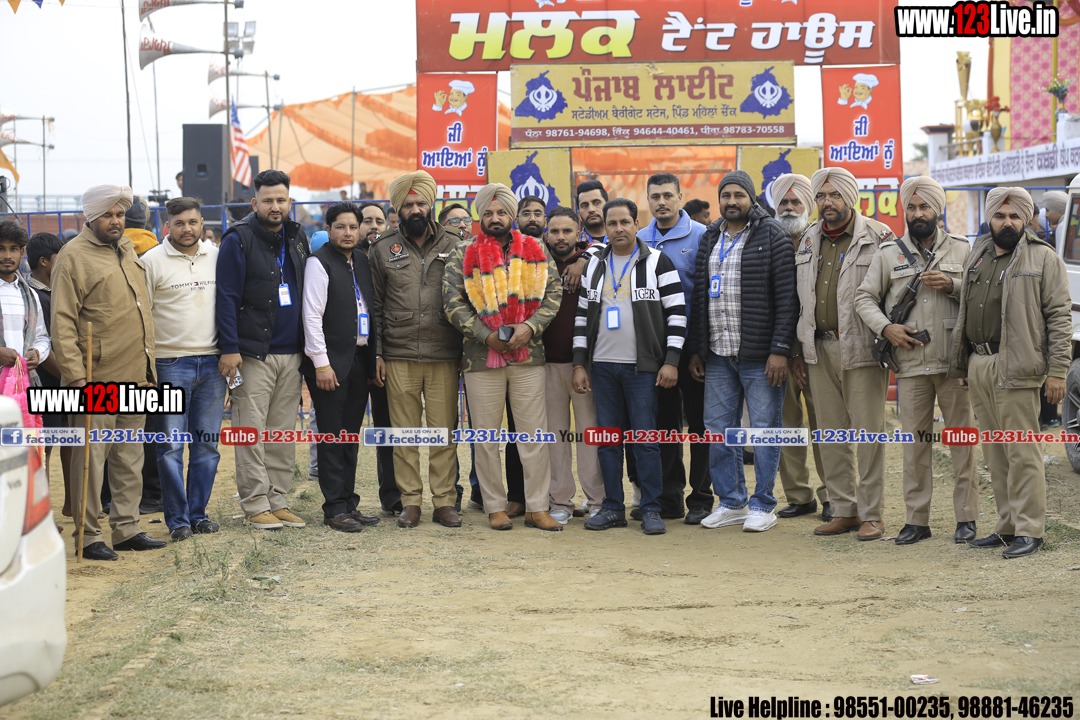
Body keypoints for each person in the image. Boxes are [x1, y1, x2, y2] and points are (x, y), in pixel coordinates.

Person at [854, 177, 978, 546]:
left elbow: (982, 295)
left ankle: (967, 518)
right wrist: (886, 328)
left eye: (925, 206)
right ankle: (917, 520)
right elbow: (863, 298)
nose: (918, 213)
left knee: (962, 443)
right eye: (912, 207)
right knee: (915, 447)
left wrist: (953, 286)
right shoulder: (889, 254)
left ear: (938, 210)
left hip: (954, 364)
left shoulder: (963, 249)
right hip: (911, 365)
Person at [949, 187, 1071, 559]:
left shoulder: (1043, 257)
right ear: (990, 218)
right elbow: (967, 309)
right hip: (979, 362)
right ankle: (1007, 526)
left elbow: (1059, 317)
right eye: (1000, 216)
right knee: (995, 452)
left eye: (1015, 216)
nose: (1007, 222)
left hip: (1017, 365)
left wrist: (1058, 371)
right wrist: (964, 362)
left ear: (1026, 219)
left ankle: (1030, 529)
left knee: (1022, 451)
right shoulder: (979, 253)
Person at [53, 185, 164, 560]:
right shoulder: (73, 257)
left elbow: (142, 312)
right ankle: (88, 535)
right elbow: (62, 323)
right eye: (107, 215)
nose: (115, 221)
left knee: (129, 458)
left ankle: (127, 529)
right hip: (95, 377)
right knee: (91, 460)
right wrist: (76, 377)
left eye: (119, 214)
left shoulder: (127, 249)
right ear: (90, 217)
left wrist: (149, 369)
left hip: (136, 375)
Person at [444, 183, 563, 532]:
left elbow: (553, 293)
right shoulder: (462, 251)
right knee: (486, 437)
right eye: (488, 213)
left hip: (528, 356)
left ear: (512, 215)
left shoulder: (536, 249)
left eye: (501, 212)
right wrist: (486, 336)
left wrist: (530, 327)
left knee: (533, 436)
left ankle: (537, 507)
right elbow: (452, 302)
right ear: (480, 216)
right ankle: (495, 507)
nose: (495, 218)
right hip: (481, 358)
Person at [686, 171, 796, 533]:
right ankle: (732, 502)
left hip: (761, 355)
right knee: (718, 430)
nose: (732, 201)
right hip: (718, 354)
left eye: (739, 195)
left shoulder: (772, 233)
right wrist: (698, 349)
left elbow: (787, 298)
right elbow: (701, 296)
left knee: (763, 430)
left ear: (751, 198)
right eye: (726, 195)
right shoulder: (710, 236)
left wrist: (780, 350)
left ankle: (763, 504)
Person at [573, 198, 685, 536]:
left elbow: (677, 313)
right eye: (612, 223)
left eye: (625, 222)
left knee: (645, 441)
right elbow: (582, 317)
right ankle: (612, 507)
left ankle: (650, 508)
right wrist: (580, 364)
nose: (618, 228)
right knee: (609, 441)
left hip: (643, 370)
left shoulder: (658, 261)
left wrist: (671, 361)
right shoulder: (594, 264)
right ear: (605, 227)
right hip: (602, 369)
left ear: (637, 225)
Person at [793, 168, 894, 541]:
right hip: (817, 348)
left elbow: (894, 294)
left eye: (835, 195)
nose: (827, 202)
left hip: (862, 347)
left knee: (868, 435)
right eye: (821, 196)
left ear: (850, 197)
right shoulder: (807, 238)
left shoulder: (879, 237)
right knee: (829, 435)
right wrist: (798, 349)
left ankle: (872, 514)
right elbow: (799, 299)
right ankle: (844, 510)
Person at [216, 169, 309, 531]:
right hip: (252, 353)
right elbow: (226, 297)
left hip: (292, 352)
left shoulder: (297, 236)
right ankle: (255, 504)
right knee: (250, 431)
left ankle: (278, 500)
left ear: (290, 202)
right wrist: (229, 347)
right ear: (254, 203)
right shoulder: (237, 239)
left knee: (281, 432)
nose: (275, 206)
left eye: (281, 200)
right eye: (268, 200)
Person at [370, 170, 462, 529]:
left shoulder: (455, 243)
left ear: (431, 204)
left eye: (421, 203)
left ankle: (444, 501)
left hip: (444, 354)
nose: (415, 210)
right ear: (398, 209)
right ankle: (410, 502)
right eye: (408, 205)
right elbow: (376, 307)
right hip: (398, 354)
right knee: (404, 434)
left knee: (444, 433)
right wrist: (378, 354)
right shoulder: (382, 248)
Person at [141, 197, 227, 543]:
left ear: (202, 223)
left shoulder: (217, 256)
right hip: (169, 365)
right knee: (171, 447)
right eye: (179, 223)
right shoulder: (150, 262)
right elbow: (143, 317)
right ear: (167, 225)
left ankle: (198, 515)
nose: (187, 229)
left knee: (207, 445)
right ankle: (177, 520)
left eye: (192, 222)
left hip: (213, 363)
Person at [301, 201, 382, 533]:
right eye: (340, 227)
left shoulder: (361, 260)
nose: (347, 233)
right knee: (332, 437)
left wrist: (374, 358)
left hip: (359, 360)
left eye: (352, 227)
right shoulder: (318, 262)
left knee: (349, 436)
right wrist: (321, 365)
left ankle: (349, 503)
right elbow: (311, 317)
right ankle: (334, 508)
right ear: (328, 229)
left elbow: (369, 310)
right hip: (330, 364)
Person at [637, 173, 711, 524]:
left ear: (681, 197)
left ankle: (701, 499)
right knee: (664, 426)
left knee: (700, 426)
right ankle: (669, 499)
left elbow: (705, 297)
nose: (662, 202)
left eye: (668, 195)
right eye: (655, 196)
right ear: (648, 200)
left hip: (693, 352)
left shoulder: (702, 236)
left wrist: (697, 349)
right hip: (655, 354)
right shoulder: (638, 239)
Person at [769, 175, 830, 522]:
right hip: (778, 350)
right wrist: (787, 351)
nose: (789, 208)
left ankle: (832, 494)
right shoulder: (767, 241)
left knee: (824, 422)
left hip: (818, 347)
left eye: (796, 202)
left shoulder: (823, 239)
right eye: (783, 203)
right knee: (786, 423)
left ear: (808, 206)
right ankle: (798, 495)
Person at [542, 206, 604, 522]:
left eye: (567, 230)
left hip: (584, 365)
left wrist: (583, 259)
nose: (561, 237)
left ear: (578, 232)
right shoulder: (535, 262)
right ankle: (560, 502)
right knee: (555, 438)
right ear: (546, 233)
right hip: (545, 366)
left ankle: (597, 501)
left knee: (590, 436)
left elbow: (606, 246)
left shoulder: (594, 260)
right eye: (554, 231)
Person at [26, 232, 67, 501]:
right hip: (46, 381)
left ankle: (72, 503)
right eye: (58, 257)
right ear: (44, 261)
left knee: (70, 438)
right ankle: (41, 509)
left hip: (63, 380)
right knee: (45, 447)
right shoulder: (33, 296)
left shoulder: (57, 291)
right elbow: (44, 344)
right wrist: (68, 376)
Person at [576, 180, 608, 244]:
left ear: (608, 207)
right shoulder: (574, 246)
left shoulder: (625, 242)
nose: (591, 209)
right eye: (584, 206)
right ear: (579, 214)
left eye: (597, 203)